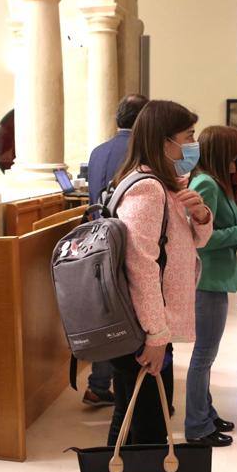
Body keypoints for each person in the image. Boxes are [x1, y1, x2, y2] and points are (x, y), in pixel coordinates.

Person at [106, 99, 213, 472]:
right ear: (165, 139)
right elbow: (141, 266)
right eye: (188, 137)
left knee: (133, 425)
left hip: (145, 329)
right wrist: (155, 335)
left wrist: (201, 216)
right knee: (148, 429)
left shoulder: (160, 185)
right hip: (144, 330)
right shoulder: (148, 190)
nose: (192, 145)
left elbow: (189, 243)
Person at [185, 126, 237, 447]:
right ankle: (197, 424)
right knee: (203, 357)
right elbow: (202, 240)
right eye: (234, 150)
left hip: (215, 280)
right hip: (206, 281)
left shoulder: (216, 183)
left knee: (207, 356)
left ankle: (206, 413)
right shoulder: (206, 184)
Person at [82, 93, 150, 407]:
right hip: (128, 242)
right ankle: (131, 383)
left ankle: (98, 383)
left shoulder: (97, 152)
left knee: (106, 312)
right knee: (128, 315)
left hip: (98, 242)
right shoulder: (142, 152)